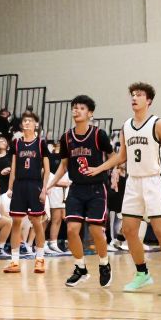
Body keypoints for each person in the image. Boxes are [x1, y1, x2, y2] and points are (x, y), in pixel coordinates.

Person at [85, 82, 161, 295]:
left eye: (139, 94)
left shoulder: (158, 124)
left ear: (148, 100)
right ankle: (142, 273)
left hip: (154, 181)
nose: (134, 97)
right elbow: (121, 157)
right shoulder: (126, 126)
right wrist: (99, 168)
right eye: (132, 94)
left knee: (159, 230)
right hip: (133, 181)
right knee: (128, 230)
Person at [44, 95, 114, 288]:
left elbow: (114, 157)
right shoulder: (67, 137)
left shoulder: (99, 135)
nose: (76, 110)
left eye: (81, 108)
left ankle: (104, 263)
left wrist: (100, 170)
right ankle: (80, 268)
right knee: (72, 229)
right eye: (74, 107)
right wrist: (51, 183)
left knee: (96, 230)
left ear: (90, 113)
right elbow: (64, 165)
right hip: (76, 188)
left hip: (97, 188)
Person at [3, 111, 50, 275]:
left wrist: (44, 190)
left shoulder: (40, 144)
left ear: (36, 124)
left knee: (37, 222)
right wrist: (10, 188)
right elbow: (14, 168)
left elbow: (47, 169)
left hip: (35, 185)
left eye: (30, 121)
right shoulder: (16, 143)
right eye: (25, 121)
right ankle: (14, 261)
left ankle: (40, 259)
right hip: (20, 186)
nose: (27, 123)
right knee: (16, 222)